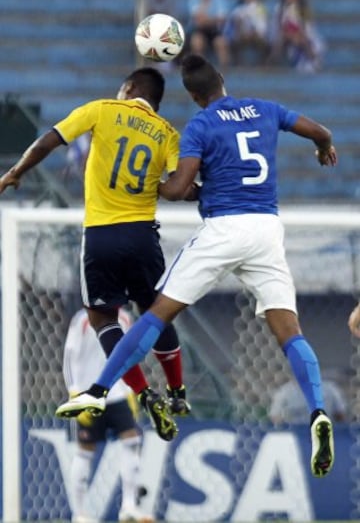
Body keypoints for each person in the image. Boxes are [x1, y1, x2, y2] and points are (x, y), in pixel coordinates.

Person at [55, 53, 337, 478]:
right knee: (289, 332)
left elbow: (178, 188)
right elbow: (319, 130)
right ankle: (317, 409)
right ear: (223, 80)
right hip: (267, 231)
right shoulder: (265, 108)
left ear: (192, 96)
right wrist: (323, 146)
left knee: (157, 313)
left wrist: (153, 180)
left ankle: (97, 390)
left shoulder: (201, 126)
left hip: (222, 231)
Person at [0, 66, 192, 442]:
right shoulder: (169, 134)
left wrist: (14, 173)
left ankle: (144, 393)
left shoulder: (101, 109)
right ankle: (177, 391)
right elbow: (180, 187)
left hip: (101, 234)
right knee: (157, 312)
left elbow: (48, 141)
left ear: (129, 88)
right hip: (143, 237)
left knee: (103, 317)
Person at [64, 306, 153, 523]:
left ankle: (129, 507)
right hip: (88, 394)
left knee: (132, 440)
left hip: (117, 393)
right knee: (85, 451)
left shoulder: (124, 318)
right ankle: (80, 513)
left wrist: (131, 391)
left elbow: (130, 357)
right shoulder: (82, 320)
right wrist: (74, 391)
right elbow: (69, 356)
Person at [267, 0, 326, 73]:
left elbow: (308, 27)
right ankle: (272, 62)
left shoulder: (303, 9)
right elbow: (277, 26)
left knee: (303, 39)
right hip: (284, 35)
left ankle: (313, 60)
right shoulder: (279, 8)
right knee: (281, 38)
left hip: (301, 35)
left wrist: (297, 34)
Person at [223, 0, 269, 67]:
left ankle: (262, 65)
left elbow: (262, 27)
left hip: (256, 36)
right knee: (233, 41)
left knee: (262, 42)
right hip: (241, 36)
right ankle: (237, 64)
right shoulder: (238, 9)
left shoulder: (261, 8)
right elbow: (231, 25)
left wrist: (253, 33)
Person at [269, 377, 347, 425]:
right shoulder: (285, 392)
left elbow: (340, 415)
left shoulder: (330, 389)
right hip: (296, 433)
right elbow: (275, 417)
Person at [186, 0, 230, 68]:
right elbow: (198, 20)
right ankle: (199, 71)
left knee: (221, 43)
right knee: (197, 42)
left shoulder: (219, 0)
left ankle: (224, 72)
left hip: (215, 30)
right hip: (199, 30)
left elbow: (222, 20)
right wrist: (205, 3)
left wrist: (206, 19)